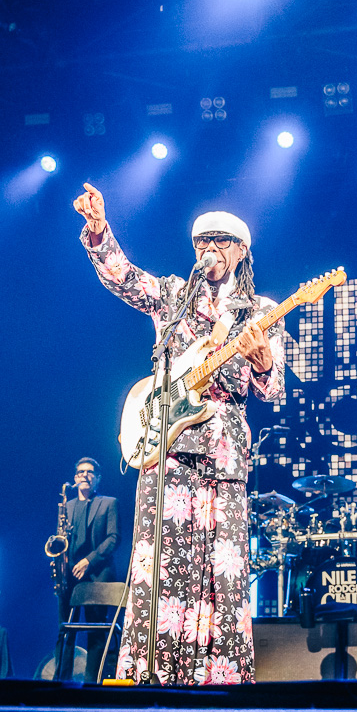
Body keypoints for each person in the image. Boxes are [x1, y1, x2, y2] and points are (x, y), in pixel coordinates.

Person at [73, 182, 285, 685]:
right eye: (202, 242)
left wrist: (262, 361)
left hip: (223, 449)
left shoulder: (260, 310)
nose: (210, 250)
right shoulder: (172, 295)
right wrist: (99, 231)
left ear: (240, 252)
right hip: (167, 447)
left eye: (221, 242)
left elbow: (272, 389)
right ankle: (153, 671)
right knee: (162, 564)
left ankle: (219, 678)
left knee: (219, 564)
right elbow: (123, 277)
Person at [52, 456, 119, 682]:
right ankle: (60, 681)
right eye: (80, 472)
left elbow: (113, 538)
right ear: (75, 478)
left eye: (90, 472)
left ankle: (92, 683)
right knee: (64, 630)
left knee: (96, 631)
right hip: (69, 574)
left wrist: (89, 561)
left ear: (98, 478)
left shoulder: (109, 503)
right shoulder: (67, 506)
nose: (85, 475)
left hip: (97, 574)